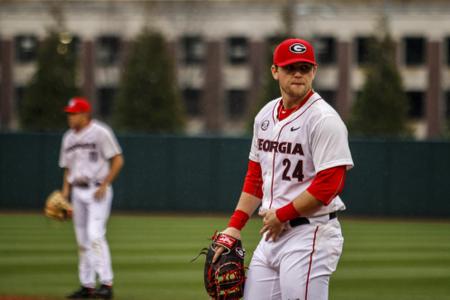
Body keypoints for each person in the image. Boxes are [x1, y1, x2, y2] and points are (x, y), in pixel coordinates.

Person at [213, 38, 354, 300]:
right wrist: (234, 226)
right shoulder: (265, 115)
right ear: (275, 71)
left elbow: (329, 184)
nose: (298, 73)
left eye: (305, 67)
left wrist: (284, 214)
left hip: (310, 234)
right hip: (272, 233)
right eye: (291, 68)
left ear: (314, 71)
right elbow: (257, 177)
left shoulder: (324, 120)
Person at [59, 97, 124, 299]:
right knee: (82, 240)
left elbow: (118, 159)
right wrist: (64, 193)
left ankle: (106, 283)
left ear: (85, 114)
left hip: (97, 190)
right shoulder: (68, 138)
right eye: (69, 114)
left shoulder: (100, 132)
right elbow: (68, 168)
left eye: (74, 113)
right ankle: (86, 285)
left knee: (95, 234)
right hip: (77, 191)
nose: (70, 117)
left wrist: (105, 183)